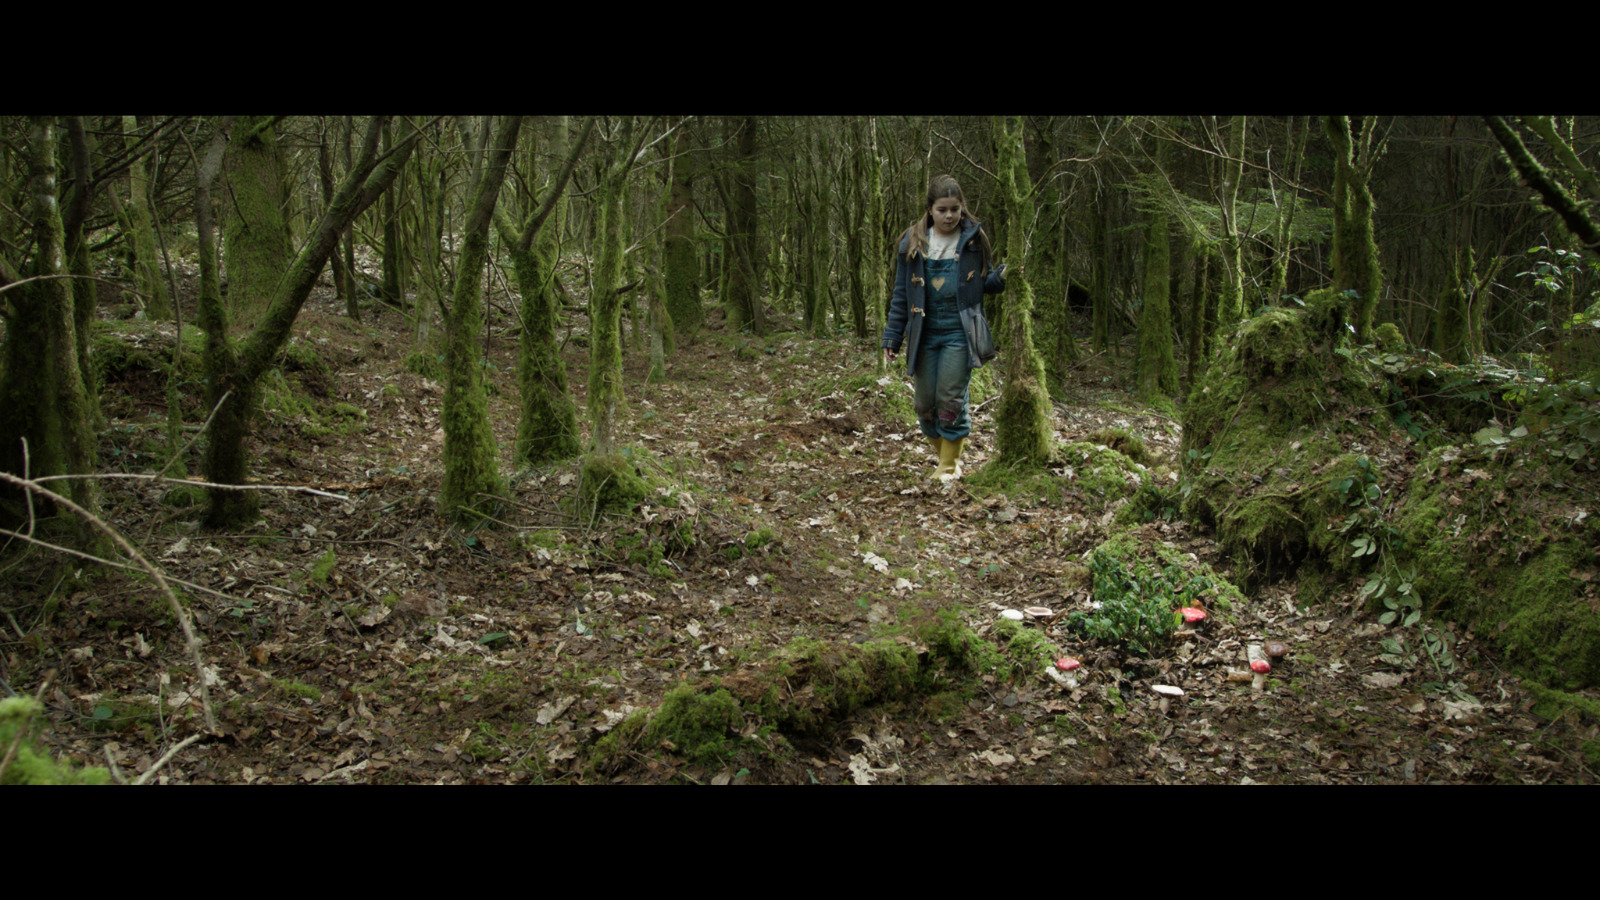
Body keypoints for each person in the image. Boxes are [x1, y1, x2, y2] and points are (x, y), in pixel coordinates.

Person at [881, 174, 1006, 482]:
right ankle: (947, 459)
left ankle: (948, 468)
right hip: (923, 332)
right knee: (924, 404)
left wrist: (1002, 278)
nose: (950, 215)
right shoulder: (911, 242)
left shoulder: (974, 240)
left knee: (950, 398)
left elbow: (980, 285)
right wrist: (892, 335)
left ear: (962, 208)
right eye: (942, 209)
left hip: (960, 331)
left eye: (955, 209)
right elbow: (901, 294)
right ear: (930, 209)